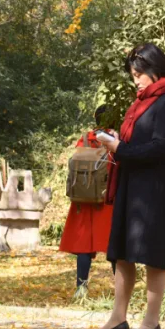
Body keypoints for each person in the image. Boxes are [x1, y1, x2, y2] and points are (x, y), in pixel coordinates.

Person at [85, 43, 165, 329]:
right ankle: (118, 318)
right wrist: (119, 141)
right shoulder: (142, 102)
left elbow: (161, 147)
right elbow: (140, 140)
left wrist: (122, 149)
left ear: (156, 70)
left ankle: (151, 322)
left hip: (157, 191)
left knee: (153, 258)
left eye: (140, 74)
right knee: (123, 255)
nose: (137, 80)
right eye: (133, 75)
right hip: (133, 188)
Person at [58, 105, 116, 291]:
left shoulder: (84, 140)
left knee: (84, 246)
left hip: (82, 201)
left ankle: (81, 288)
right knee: (114, 246)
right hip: (106, 200)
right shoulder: (114, 141)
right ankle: (120, 292)